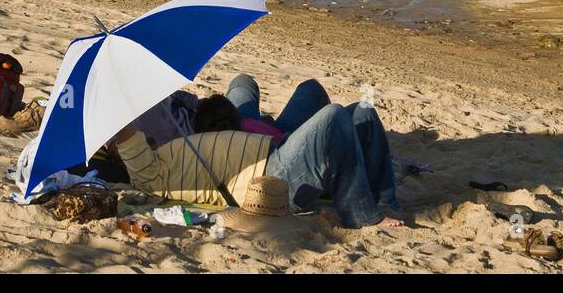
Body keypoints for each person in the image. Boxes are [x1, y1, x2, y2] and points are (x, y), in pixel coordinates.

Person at [110, 89, 401, 229]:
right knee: (333, 116)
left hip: (277, 153)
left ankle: (385, 199)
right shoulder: (148, 174)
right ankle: (361, 216)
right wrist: (117, 107)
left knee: (362, 110)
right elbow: (127, 140)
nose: (138, 135)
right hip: (272, 181)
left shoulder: (167, 151)